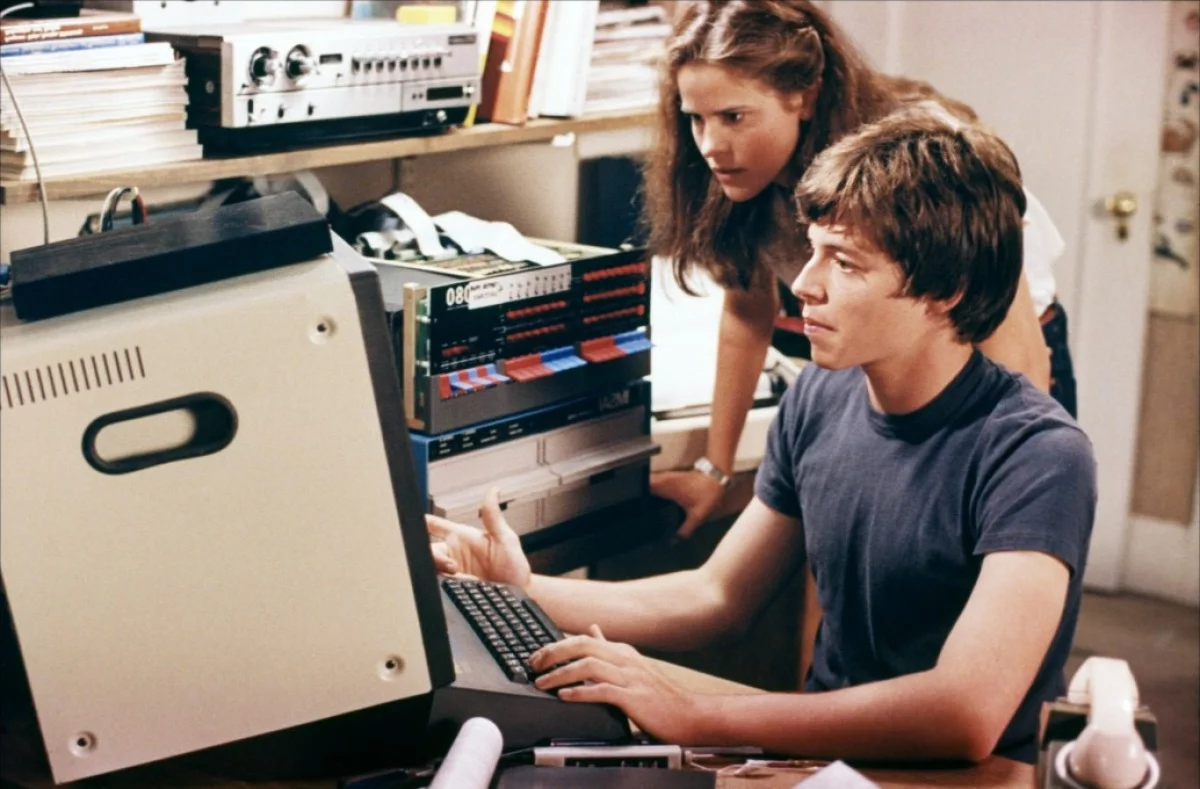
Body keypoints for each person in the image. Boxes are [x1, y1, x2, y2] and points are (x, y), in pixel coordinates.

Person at [427, 109, 1096, 765]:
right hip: (826, 761)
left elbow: (963, 711)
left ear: (945, 289)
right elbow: (717, 597)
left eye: (846, 263)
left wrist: (693, 712)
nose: (804, 284)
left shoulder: (1038, 453)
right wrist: (521, 586)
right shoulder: (819, 396)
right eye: (812, 251)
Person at [644, 0, 1078, 538]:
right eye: (696, 119)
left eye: (733, 117)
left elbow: (1018, 361)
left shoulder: (918, 156)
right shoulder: (742, 172)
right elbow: (746, 309)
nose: (710, 145)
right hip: (886, 351)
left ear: (802, 97)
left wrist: (1008, 477)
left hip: (993, 354)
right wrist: (715, 467)